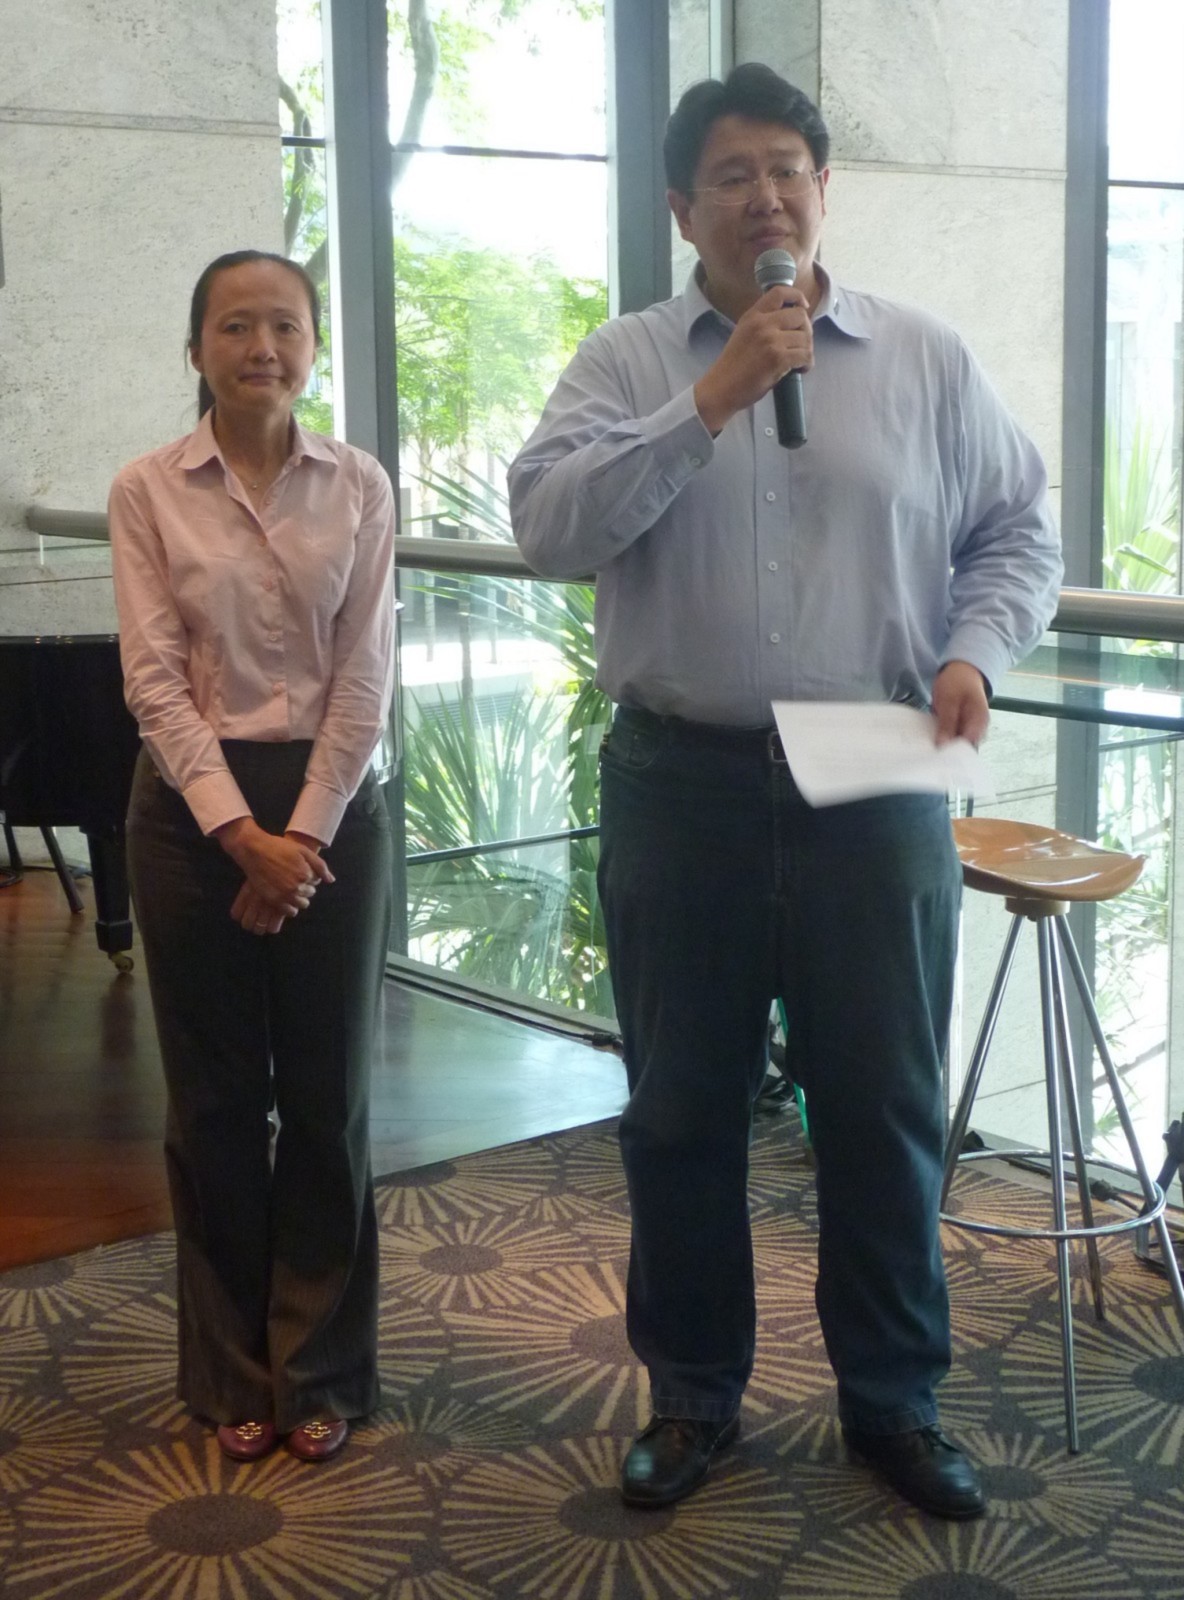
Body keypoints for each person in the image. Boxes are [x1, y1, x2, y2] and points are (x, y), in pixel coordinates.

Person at [508, 65, 1062, 1517]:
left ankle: (895, 1400)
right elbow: (548, 529)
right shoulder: (627, 361)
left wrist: (975, 649)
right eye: (733, 175)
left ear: (823, 191)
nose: (765, 196)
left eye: (788, 170)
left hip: (875, 769)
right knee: (680, 1108)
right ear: (680, 207)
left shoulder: (925, 356)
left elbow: (1019, 527)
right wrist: (711, 401)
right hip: (678, 777)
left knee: (881, 1108)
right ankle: (693, 1395)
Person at [109, 249, 396, 1465]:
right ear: (195, 350)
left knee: (328, 1097)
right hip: (191, 812)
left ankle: (319, 1366)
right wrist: (239, 835)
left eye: (283, 325)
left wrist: (302, 837)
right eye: (234, 326)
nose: (260, 347)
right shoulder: (145, 489)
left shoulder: (360, 483)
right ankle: (230, 1365)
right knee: (216, 1099)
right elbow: (152, 681)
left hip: (332, 807)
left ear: (312, 348)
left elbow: (366, 674)